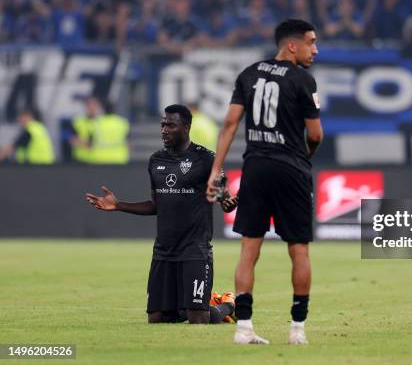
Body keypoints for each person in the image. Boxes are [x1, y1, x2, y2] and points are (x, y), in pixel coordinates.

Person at [207, 18, 324, 345]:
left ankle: (244, 328)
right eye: (310, 42)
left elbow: (230, 123)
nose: (315, 49)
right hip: (291, 169)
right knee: (298, 249)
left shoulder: (249, 74)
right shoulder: (304, 80)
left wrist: (216, 170)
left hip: (255, 167)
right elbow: (315, 134)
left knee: (248, 249)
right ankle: (297, 330)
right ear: (292, 45)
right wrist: (305, 156)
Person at [85, 104, 238, 324]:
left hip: (195, 250)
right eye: (163, 125)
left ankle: (229, 304)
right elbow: (157, 205)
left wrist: (225, 201)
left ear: (186, 128)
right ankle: (194, 304)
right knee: (157, 319)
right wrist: (119, 205)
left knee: (198, 319)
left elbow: (221, 190)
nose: (164, 130)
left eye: (171, 125)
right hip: (164, 251)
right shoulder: (156, 160)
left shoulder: (206, 159)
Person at [70, 96, 101, 163]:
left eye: (94, 105)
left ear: (98, 107)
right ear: (85, 107)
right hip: (81, 160)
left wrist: (83, 142)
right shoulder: (78, 122)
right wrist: (87, 143)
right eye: (89, 105)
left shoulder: (103, 123)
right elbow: (73, 141)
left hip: (98, 160)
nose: (92, 108)